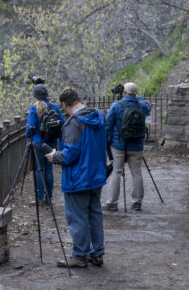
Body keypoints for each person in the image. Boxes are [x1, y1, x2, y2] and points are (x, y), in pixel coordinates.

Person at [46, 87, 107, 268]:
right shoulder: (97, 116)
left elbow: (70, 154)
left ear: (64, 105)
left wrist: (54, 156)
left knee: (77, 216)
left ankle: (80, 255)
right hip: (96, 174)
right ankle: (97, 253)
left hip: (79, 177)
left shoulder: (74, 123)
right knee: (94, 214)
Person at [103, 82, 151, 212]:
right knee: (137, 173)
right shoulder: (142, 106)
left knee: (116, 172)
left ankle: (112, 203)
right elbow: (147, 105)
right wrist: (136, 95)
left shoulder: (116, 106)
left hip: (119, 145)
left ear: (124, 93)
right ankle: (137, 203)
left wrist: (108, 143)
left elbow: (108, 126)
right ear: (136, 93)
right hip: (137, 146)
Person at [25, 83, 64, 205]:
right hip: (52, 142)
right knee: (49, 170)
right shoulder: (54, 106)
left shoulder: (34, 108)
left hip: (38, 142)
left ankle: (40, 198)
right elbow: (62, 123)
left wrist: (29, 136)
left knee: (39, 170)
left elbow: (29, 128)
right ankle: (49, 198)